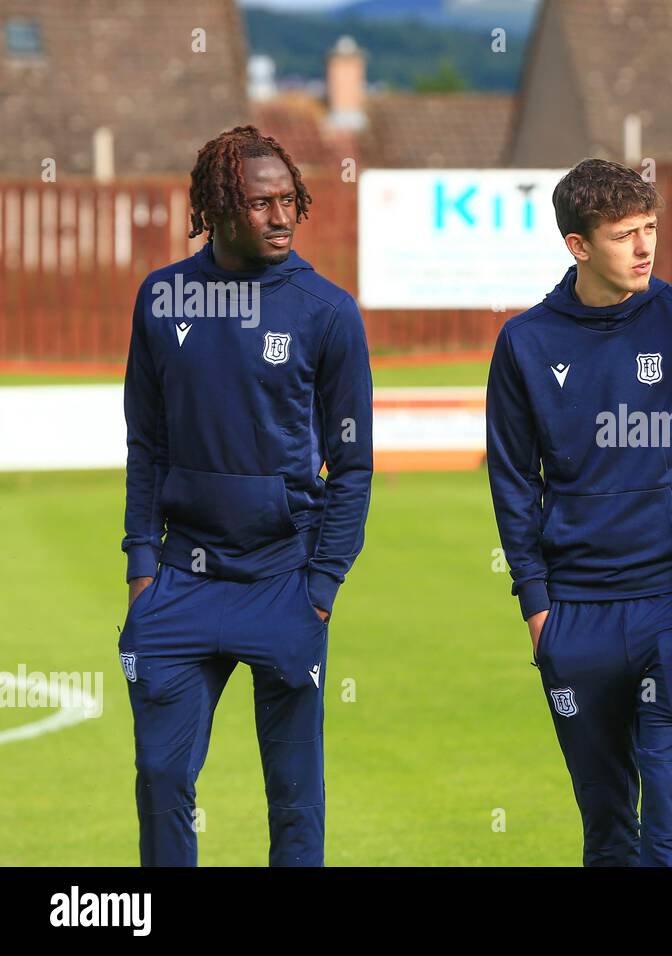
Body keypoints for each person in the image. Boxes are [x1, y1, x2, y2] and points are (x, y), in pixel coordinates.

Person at [486, 158, 672, 866]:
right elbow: (514, 485)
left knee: (670, 809)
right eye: (624, 235)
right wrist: (538, 608)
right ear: (578, 246)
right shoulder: (525, 343)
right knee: (607, 826)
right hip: (575, 616)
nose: (644, 248)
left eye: (650, 229)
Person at [119, 125, 373, 866]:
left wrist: (320, 587)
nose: (282, 216)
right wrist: (141, 566)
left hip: (283, 585)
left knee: (295, 799)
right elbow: (146, 444)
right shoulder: (163, 299)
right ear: (219, 207)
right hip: (179, 585)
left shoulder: (328, 312)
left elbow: (352, 465)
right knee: (162, 778)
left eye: (289, 200)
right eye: (261, 203)